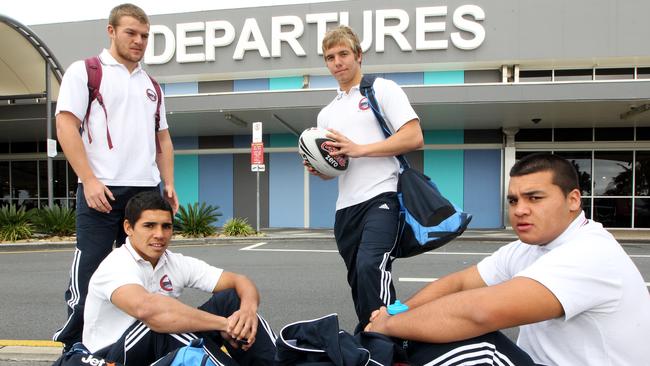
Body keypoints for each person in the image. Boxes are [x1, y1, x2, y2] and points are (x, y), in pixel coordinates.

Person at [365, 153, 650, 365]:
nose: (520, 210)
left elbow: (479, 312)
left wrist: (388, 325)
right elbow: (460, 283)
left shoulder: (590, 253)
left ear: (573, 200)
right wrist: (396, 312)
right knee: (421, 334)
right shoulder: (529, 246)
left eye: (534, 198)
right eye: (513, 200)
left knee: (474, 343)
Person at [53, 3, 178, 350]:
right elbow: (66, 125)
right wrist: (89, 180)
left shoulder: (152, 84)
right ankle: (75, 345)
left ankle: (137, 343)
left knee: (144, 272)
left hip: (144, 192)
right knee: (90, 270)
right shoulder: (86, 72)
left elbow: (162, 138)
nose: (139, 41)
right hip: (100, 190)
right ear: (111, 31)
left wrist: (167, 183)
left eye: (144, 36)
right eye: (131, 33)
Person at [307, 25, 423, 333]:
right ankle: (369, 334)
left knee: (372, 264)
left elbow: (414, 137)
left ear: (359, 56)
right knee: (358, 276)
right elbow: (339, 164)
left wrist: (359, 149)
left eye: (343, 54)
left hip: (382, 196)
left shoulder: (382, 89)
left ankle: (391, 337)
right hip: (346, 207)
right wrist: (323, 170)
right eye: (330, 57)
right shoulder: (326, 114)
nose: (337, 62)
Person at [80, 191, 277, 365]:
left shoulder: (174, 262)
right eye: (149, 226)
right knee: (158, 324)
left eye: (166, 226)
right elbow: (148, 310)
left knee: (230, 298)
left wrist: (247, 312)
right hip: (110, 358)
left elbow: (239, 281)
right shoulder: (116, 264)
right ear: (128, 228)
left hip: (158, 344)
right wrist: (225, 324)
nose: (159, 234)